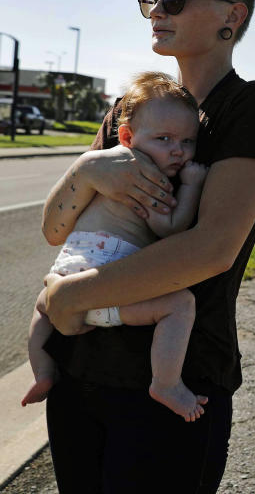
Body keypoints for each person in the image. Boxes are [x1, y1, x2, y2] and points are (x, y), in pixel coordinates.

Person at [39, 0, 255, 493]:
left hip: (176, 383)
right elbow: (59, 230)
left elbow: (210, 249)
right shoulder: (131, 111)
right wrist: (85, 168)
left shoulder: (247, 106)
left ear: (232, 15)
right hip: (77, 368)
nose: (158, 11)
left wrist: (69, 299)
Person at [23, 71, 209, 422]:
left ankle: (42, 371)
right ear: (126, 137)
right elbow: (171, 228)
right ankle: (166, 383)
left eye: (187, 141)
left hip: (65, 271)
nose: (177, 151)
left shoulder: (110, 170)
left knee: (41, 308)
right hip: (107, 286)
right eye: (165, 138)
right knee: (180, 304)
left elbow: (56, 228)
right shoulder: (149, 178)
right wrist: (193, 186)